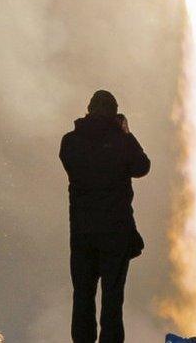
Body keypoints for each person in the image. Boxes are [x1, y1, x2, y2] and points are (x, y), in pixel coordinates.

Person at [59, 90, 151, 343]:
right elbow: (142, 166)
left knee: (83, 296)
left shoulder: (70, 142)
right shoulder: (120, 141)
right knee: (112, 298)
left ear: (88, 109)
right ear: (114, 113)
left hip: (82, 233)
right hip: (115, 232)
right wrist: (126, 133)